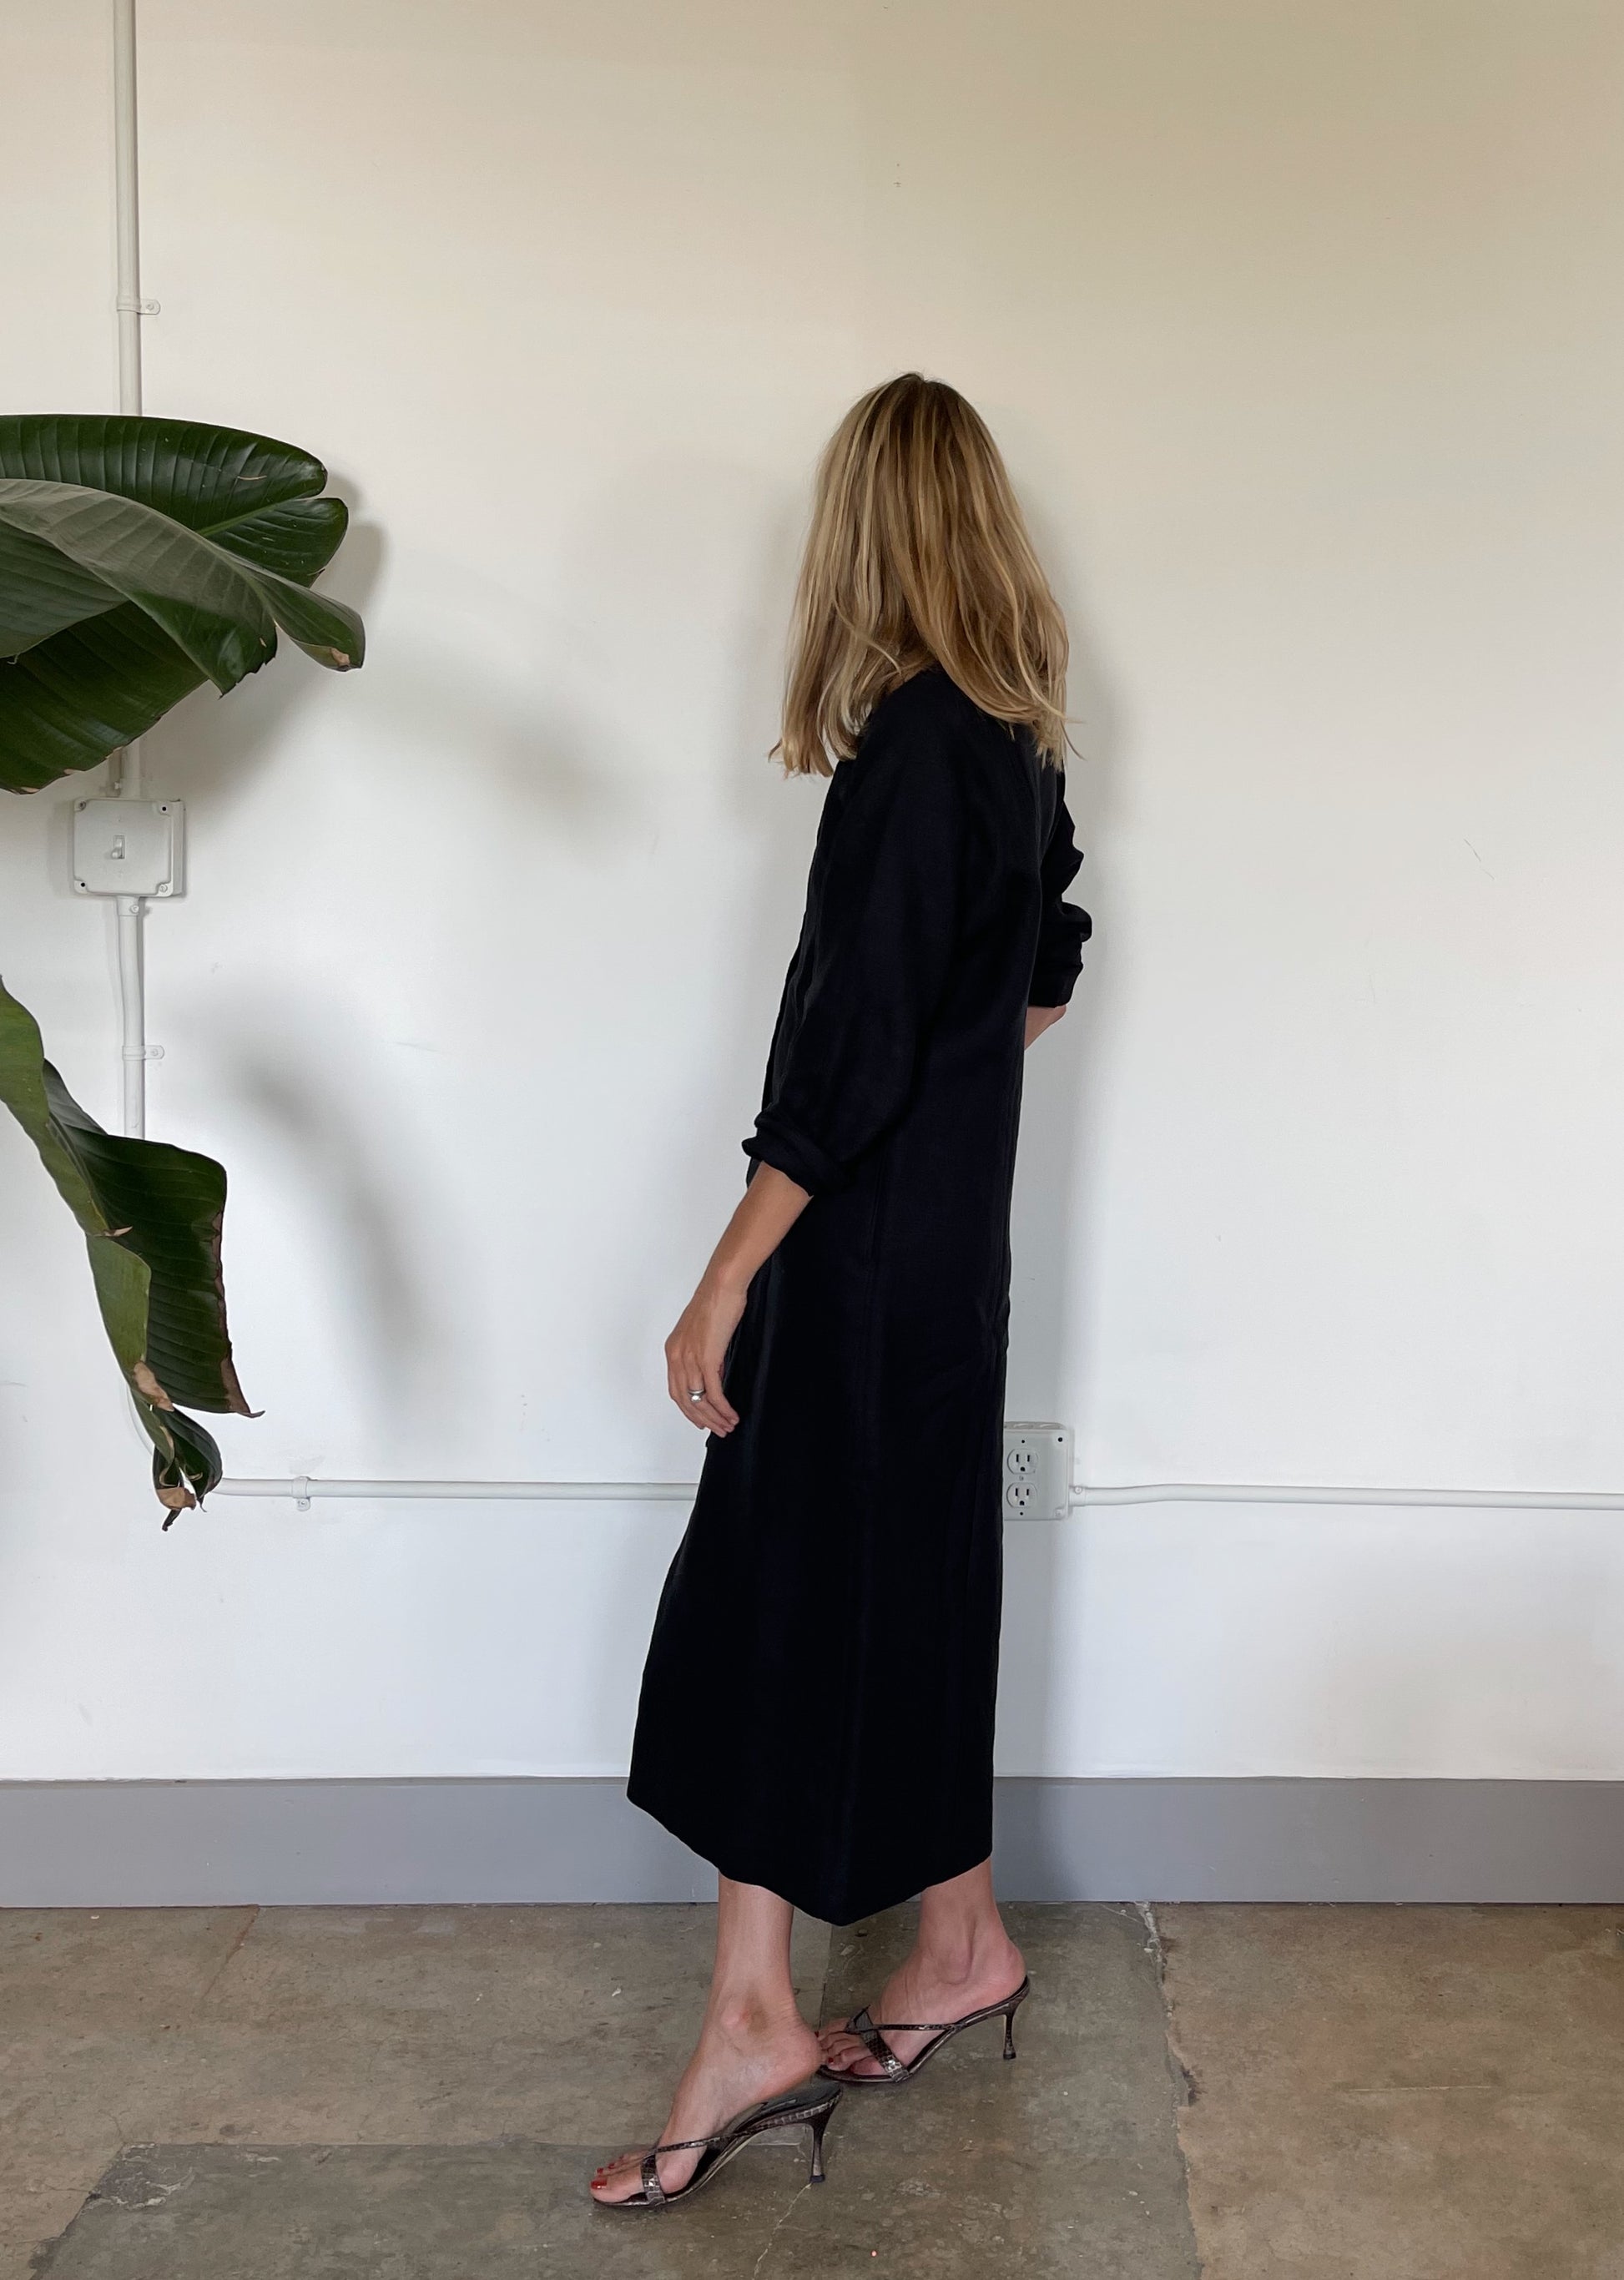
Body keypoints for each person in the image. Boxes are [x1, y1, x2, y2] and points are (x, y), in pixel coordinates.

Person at [590, 373, 1091, 2211]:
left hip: (861, 1265)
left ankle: (752, 2017)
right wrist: (946, 1082)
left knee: (773, 1608)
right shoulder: (1016, 742)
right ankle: (956, 1945)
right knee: (904, 1584)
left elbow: (848, 1060)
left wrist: (721, 1279)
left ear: (861, 535)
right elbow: (1043, 965)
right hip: (948, 1265)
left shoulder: (911, 749)